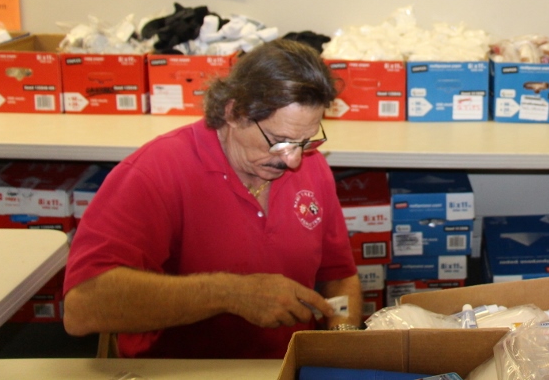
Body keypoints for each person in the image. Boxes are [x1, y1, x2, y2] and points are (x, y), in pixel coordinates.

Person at [63, 39, 362, 358]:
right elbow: (82, 308)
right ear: (233, 112)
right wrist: (231, 294)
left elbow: (339, 277)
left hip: (283, 365)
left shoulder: (311, 166)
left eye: (306, 141)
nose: (293, 161)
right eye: (278, 141)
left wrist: (341, 345)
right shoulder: (156, 173)